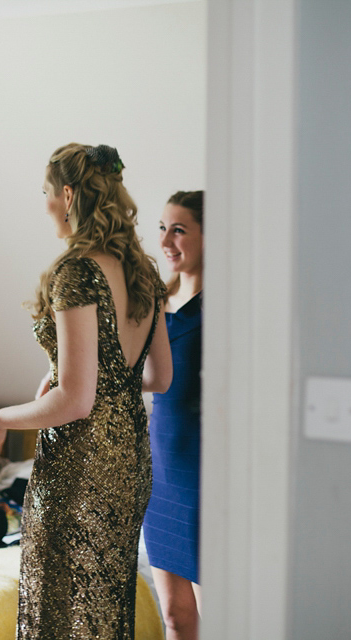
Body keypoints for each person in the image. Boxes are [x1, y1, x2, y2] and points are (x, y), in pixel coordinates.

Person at [0, 143, 172, 639]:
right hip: (128, 465)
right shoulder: (143, 271)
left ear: (66, 194)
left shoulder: (77, 272)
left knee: (58, 615)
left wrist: (1, 419)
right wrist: (83, 371)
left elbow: (76, 401)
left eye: (45, 192)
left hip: (79, 469)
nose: (44, 204)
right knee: (103, 612)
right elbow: (157, 377)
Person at [143, 190, 204, 640]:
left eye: (179, 229)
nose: (166, 239)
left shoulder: (231, 306)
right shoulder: (152, 303)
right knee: (175, 617)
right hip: (160, 471)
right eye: (163, 227)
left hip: (206, 473)